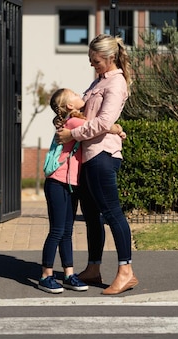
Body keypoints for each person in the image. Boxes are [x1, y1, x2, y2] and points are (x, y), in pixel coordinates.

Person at [55, 34, 138, 296]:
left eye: (97, 61)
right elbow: (86, 115)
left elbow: (102, 122)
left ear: (110, 58)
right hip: (88, 156)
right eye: (91, 61)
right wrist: (64, 121)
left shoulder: (116, 83)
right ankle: (93, 267)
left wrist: (72, 135)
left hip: (103, 156)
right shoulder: (98, 81)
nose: (93, 65)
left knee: (112, 213)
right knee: (92, 217)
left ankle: (126, 272)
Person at [39, 87, 124, 294]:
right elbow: (98, 126)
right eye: (76, 96)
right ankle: (46, 275)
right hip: (57, 183)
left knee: (67, 232)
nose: (80, 97)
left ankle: (69, 274)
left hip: (71, 185)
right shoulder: (73, 122)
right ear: (69, 105)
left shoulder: (72, 121)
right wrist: (117, 129)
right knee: (57, 231)